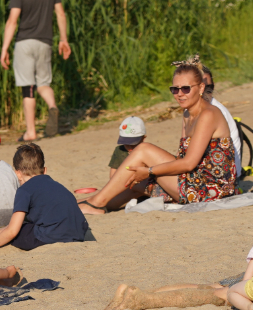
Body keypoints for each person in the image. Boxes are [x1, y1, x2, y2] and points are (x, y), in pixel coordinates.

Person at [78, 60, 236, 214]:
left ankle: (96, 203)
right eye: (175, 89)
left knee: (143, 150)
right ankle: (90, 204)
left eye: (185, 89)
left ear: (201, 87)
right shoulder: (187, 113)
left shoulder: (208, 114)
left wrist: (149, 171)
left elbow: (188, 163)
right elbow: (181, 158)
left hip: (210, 188)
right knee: (134, 183)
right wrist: (149, 173)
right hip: (191, 180)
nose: (179, 94)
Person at [0, 0, 70, 141]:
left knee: (28, 87)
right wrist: (63, 39)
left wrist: (4, 48)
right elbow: (60, 14)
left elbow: (12, 21)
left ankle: (31, 132)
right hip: (45, 42)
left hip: (24, 43)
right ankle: (52, 105)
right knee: (43, 83)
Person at [0, 143, 92, 252]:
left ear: (18, 174)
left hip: (50, 235)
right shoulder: (60, 186)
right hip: (78, 233)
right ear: (44, 170)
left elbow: (12, 231)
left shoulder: (24, 190)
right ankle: (0, 231)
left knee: (21, 230)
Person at [200, 66, 244, 182]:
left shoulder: (212, 112)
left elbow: (191, 161)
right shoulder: (191, 111)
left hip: (223, 178)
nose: (204, 92)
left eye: (209, 88)